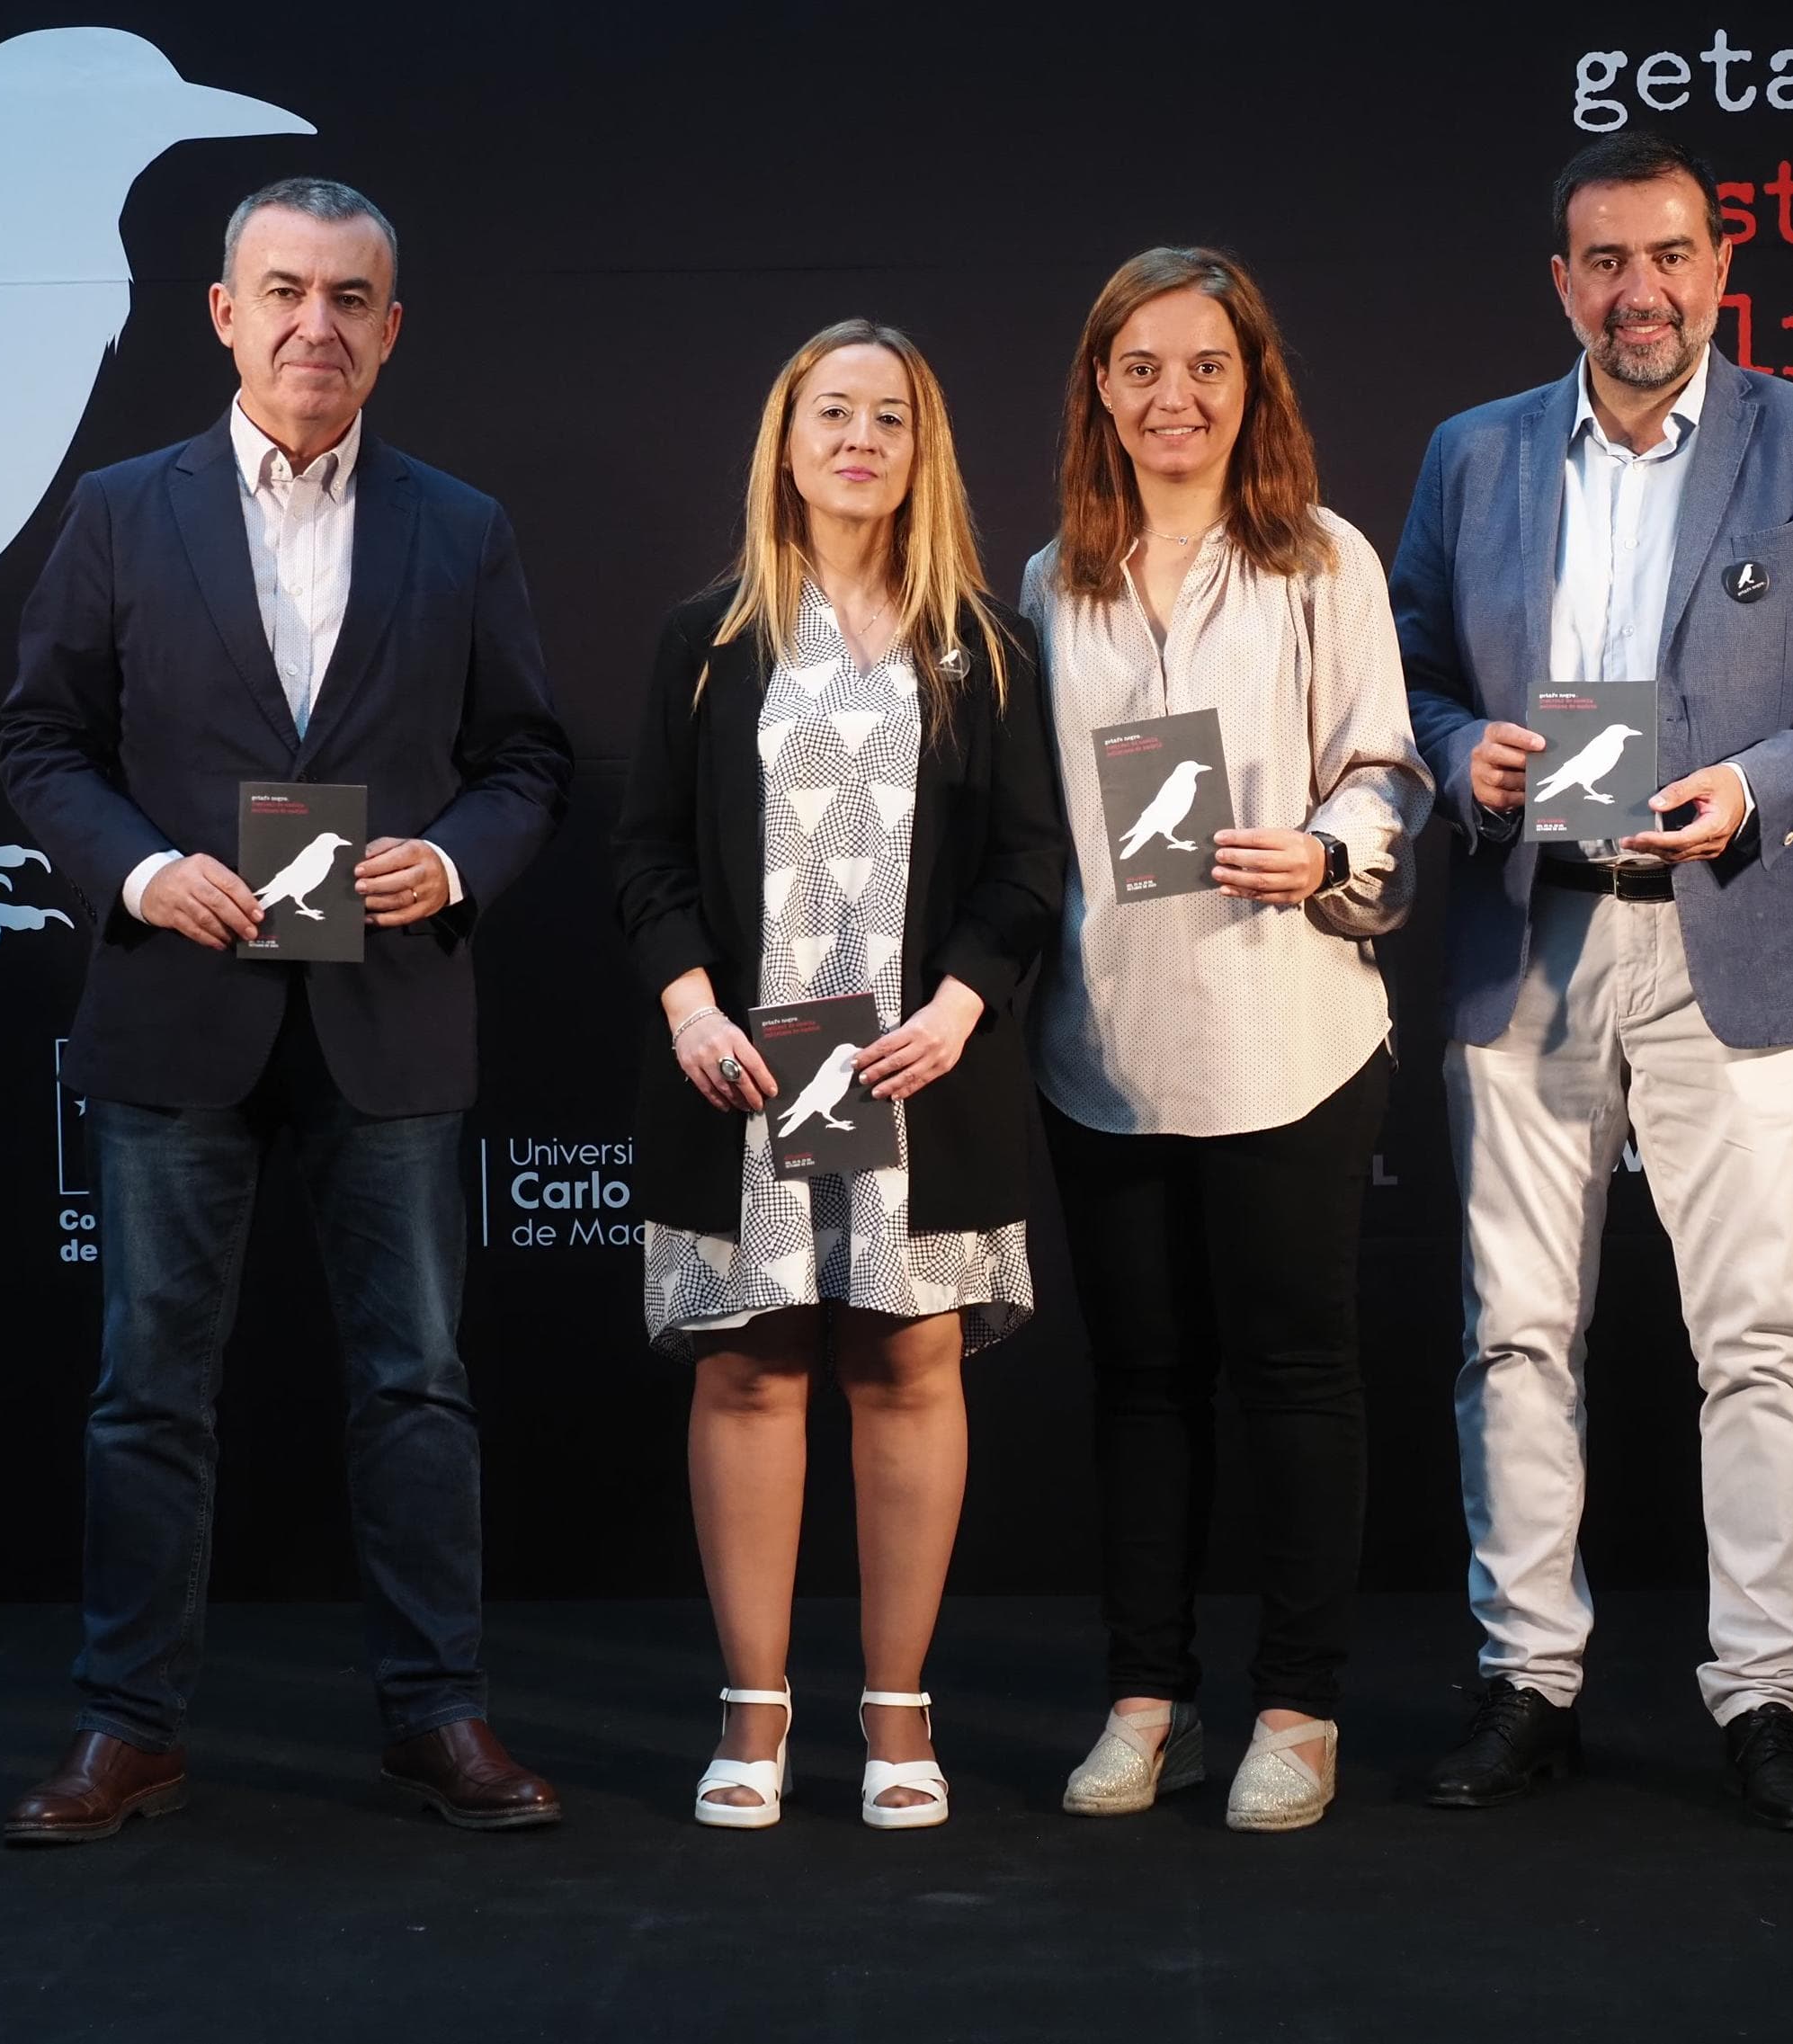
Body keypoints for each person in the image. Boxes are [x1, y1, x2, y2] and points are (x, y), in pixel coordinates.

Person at [0, 177, 574, 1843]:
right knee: (149, 1390)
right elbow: (40, 739)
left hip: (390, 1011)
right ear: (225, 314)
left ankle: (438, 1713)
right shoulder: (121, 509)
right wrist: (140, 870)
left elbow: (527, 759)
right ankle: (127, 1727)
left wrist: (448, 863)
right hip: (179, 1006)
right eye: (285, 291)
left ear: (391, 330)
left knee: (416, 1382)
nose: (317, 323)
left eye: (350, 297)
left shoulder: (461, 526)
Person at [1390, 132, 1793, 1831]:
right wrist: (1462, 750)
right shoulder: (1475, 452)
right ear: (1563, 282)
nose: (1642, 291)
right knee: (1514, 1333)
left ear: (1722, 268)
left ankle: (1768, 1694)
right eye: (1607, 261)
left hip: (1739, 930)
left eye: (1671, 255)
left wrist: (1760, 785)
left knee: (1764, 1337)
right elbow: (1404, 669)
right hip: (1530, 934)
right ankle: (1528, 1678)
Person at [611, 319, 1065, 1831]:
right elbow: (644, 852)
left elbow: (1030, 865)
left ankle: (896, 1713)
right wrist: (689, 1007)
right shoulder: (706, 641)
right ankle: (753, 1714)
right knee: (750, 1365)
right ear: (787, 443)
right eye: (833, 414)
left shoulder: (987, 645)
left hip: (918, 1077)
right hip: (743, 1076)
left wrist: (961, 1005)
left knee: (907, 1364)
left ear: (923, 451)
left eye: (890, 417)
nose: (861, 439)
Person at [1023, 248, 1433, 1834]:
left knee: (1296, 1375)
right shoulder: (1050, 580)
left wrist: (1326, 847)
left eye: (1206, 365)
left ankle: (1298, 1705)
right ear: (1100, 387)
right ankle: (1149, 1701)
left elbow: (1385, 766)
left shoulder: (1322, 558)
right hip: (1106, 1044)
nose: (1173, 397)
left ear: (1252, 381)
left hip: (1291, 1034)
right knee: (1141, 1382)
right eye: (1140, 367)